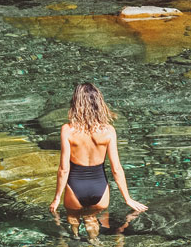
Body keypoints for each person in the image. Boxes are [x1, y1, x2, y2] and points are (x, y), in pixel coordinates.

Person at [49, 83, 147, 215]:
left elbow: (64, 169)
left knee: (73, 222)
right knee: (94, 222)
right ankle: (94, 235)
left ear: (76, 103)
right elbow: (116, 169)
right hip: (100, 188)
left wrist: (56, 199)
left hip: (75, 186)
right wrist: (128, 199)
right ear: (99, 103)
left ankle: (75, 235)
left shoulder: (68, 130)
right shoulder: (108, 131)